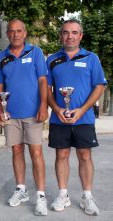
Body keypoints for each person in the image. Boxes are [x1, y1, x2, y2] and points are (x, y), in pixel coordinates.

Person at [46, 19, 107, 216]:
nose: (69, 36)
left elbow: (99, 85)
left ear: (80, 36)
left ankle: (87, 197)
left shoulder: (91, 58)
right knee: (61, 156)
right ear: (60, 35)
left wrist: (81, 110)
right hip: (59, 118)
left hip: (84, 118)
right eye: (65, 32)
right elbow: (46, 89)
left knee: (85, 156)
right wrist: (56, 109)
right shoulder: (52, 60)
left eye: (74, 32)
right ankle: (63, 194)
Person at [0, 18, 48, 216]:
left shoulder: (36, 52)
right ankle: (21, 189)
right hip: (11, 114)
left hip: (33, 113)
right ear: (7, 34)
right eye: (11, 31)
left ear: (25, 33)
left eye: (19, 31)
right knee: (16, 151)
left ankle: (40, 196)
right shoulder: (1, 56)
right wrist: (0, 110)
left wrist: (43, 105)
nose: (15, 34)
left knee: (36, 153)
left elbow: (42, 81)